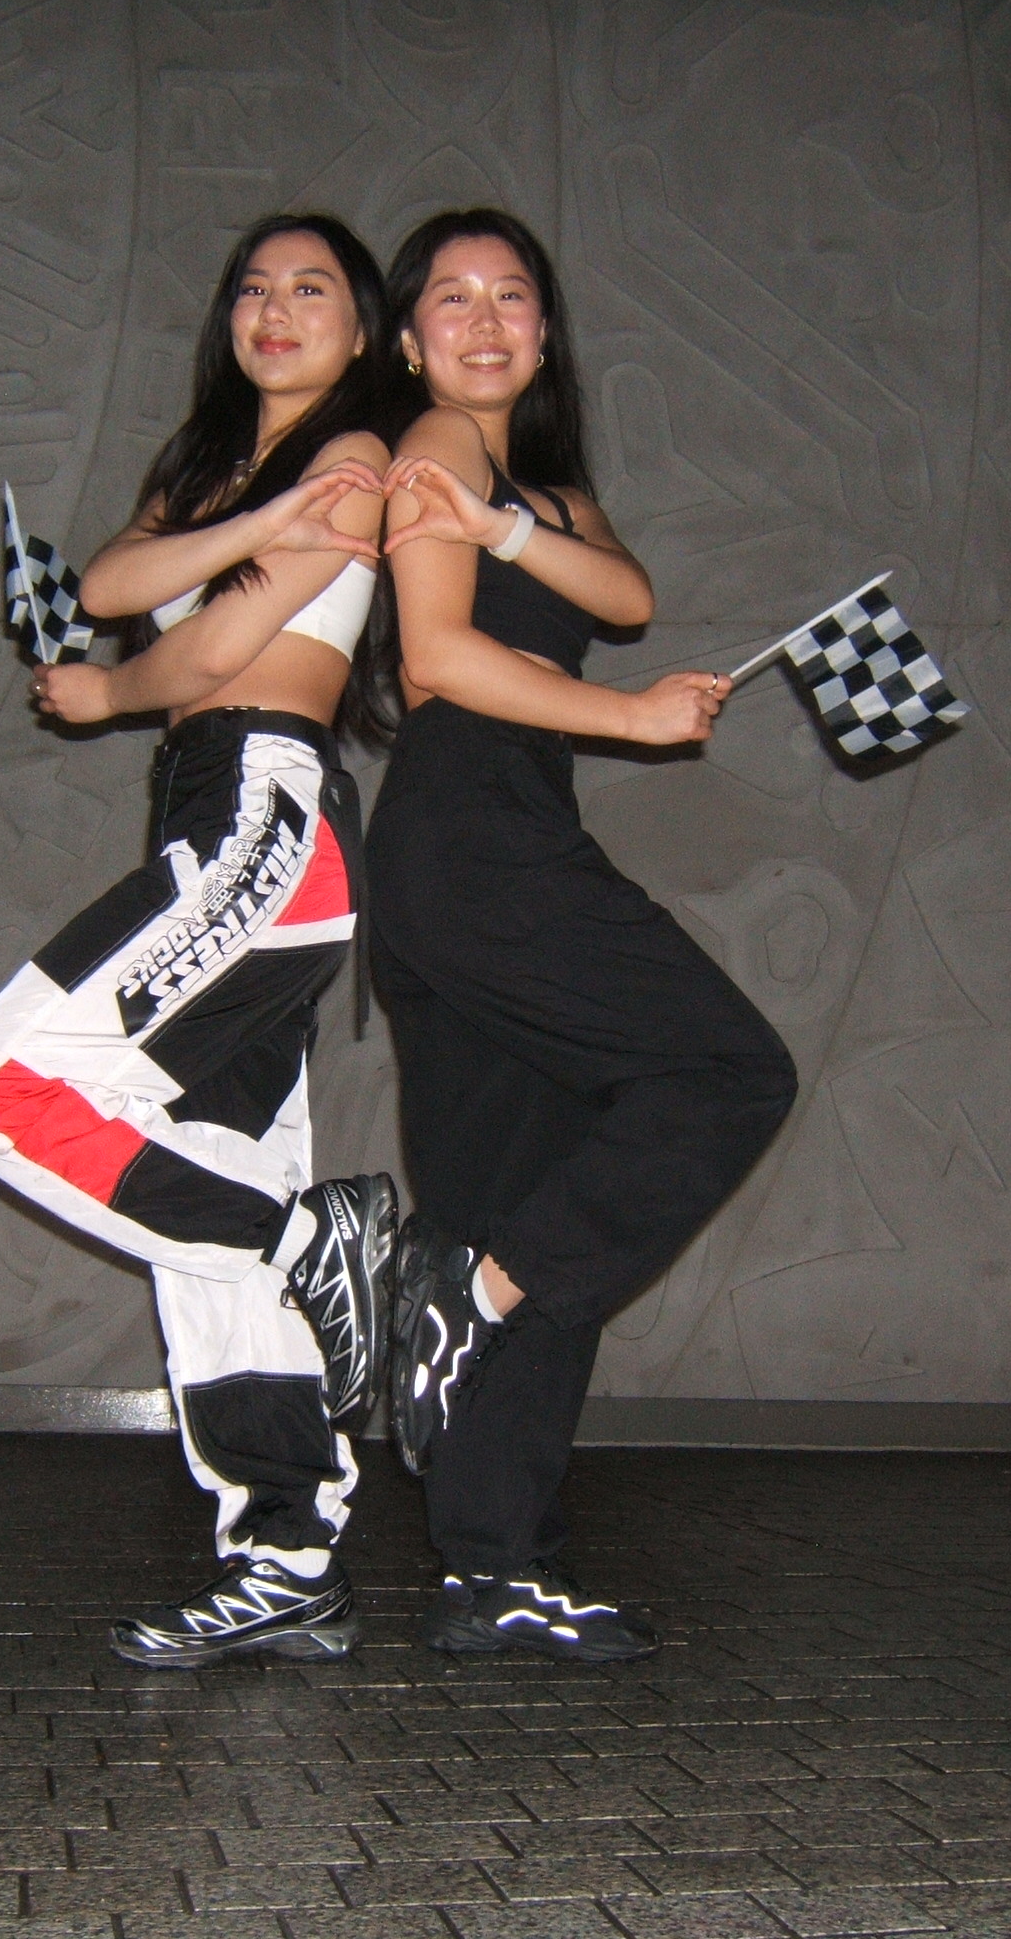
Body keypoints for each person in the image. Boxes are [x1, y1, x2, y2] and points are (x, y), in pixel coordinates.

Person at [0, 214, 402, 1668]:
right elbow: (108, 583)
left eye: (312, 289)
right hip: (215, 823)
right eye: (254, 287)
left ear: (364, 331)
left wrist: (108, 694)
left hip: (265, 815)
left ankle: (319, 1242)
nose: (276, 309)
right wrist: (259, 523)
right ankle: (287, 1553)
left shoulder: (361, 452)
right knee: (200, 1197)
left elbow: (197, 649)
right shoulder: (213, 468)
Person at [366, 209, 799, 1662]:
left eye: (513, 298)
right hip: (477, 843)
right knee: (727, 1072)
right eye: (451, 300)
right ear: (410, 340)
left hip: (474, 854)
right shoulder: (436, 437)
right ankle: (469, 1293)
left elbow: (630, 594)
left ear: (547, 332)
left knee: (525, 1192)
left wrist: (504, 527)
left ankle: (493, 1566)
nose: (485, 322)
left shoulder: (534, 488)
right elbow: (438, 660)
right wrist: (630, 718)